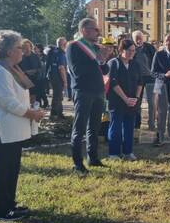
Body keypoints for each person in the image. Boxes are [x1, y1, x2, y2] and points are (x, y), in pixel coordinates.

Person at [0, 29, 44, 221]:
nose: (23, 51)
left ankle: (9, 205)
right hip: (2, 129)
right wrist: (33, 114)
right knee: (3, 169)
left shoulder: (8, 69)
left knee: (11, 168)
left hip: (11, 129)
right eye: (19, 47)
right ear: (8, 51)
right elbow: (9, 103)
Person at [66, 18, 112, 173]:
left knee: (94, 126)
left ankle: (93, 158)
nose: (98, 32)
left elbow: (104, 71)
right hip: (83, 91)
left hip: (98, 91)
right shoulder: (73, 47)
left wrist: (102, 59)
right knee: (79, 128)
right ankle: (77, 163)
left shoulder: (94, 47)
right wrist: (96, 59)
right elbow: (77, 71)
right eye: (95, 29)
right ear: (84, 30)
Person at [106, 39, 143, 160]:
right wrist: (125, 98)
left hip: (132, 102)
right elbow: (113, 83)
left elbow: (140, 83)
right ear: (121, 50)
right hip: (117, 102)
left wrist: (136, 98)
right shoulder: (113, 63)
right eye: (129, 51)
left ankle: (128, 152)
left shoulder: (135, 64)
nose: (132, 53)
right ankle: (114, 153)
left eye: (134, 51)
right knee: (115, 128)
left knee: (129, 128)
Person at [133, 30, 157, 131]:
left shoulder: (150, 48)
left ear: (143, 38)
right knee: (137, 102)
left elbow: (156, 60)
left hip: (150, 78)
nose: (139, 40)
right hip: (137, 79)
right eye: (136, 38)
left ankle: (151, 124)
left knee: (151, 102)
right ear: (133, 39)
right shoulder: (131, 49)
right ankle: (137, 124)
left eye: (140, 38)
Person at [47, 38, 68, 118]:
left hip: (52, 76)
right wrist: (65, 81)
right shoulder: (61, 54)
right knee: (58, 96)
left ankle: (57, 113)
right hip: (58, 77)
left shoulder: (53, 52)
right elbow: (61, 68)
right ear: (64, 45)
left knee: (57, 95)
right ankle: (56, 114)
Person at [19, 39, 42, 105]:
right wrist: (25, 72)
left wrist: (34, 71)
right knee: (25, 97)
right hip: (24, 80)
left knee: (34, 97)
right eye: (24, 47)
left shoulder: (35, 56)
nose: (26, 48)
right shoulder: (20, 57)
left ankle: (32, 110)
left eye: (28, 46)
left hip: (35, 80)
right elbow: (17, 68)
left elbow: (40, 68)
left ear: (30, 47)